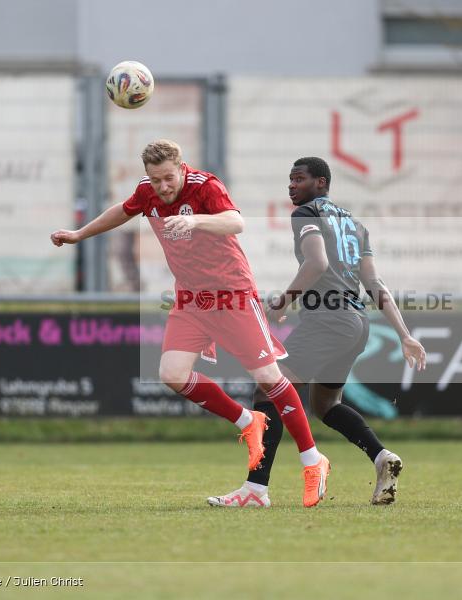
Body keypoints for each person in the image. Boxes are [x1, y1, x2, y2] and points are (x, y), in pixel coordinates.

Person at [50, 140, 330, 507]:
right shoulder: (147, 192)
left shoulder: (205, 186)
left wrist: (194, 219)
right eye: (155, 180)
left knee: (269, 377)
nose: (162, 187)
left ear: (182, 168)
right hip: (191, 299)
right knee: (172, 372)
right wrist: (79, 234)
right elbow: (123, 210)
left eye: (168, 178)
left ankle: (313, 460)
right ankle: (248, 421)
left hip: (231, 294)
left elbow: (236, 221)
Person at [207, 156, 426, 508]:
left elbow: (317, 263)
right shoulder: (355, 225)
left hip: (328, 321)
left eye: (299, 179)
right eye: (290, 179)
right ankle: (381, 456)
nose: (292, 185)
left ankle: (256, 489)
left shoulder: (306, 214)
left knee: (268, 391)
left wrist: (280, 304)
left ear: (321, 183)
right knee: (325, 406)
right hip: (356, 324)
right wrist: (404, 334)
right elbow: (374, 283)